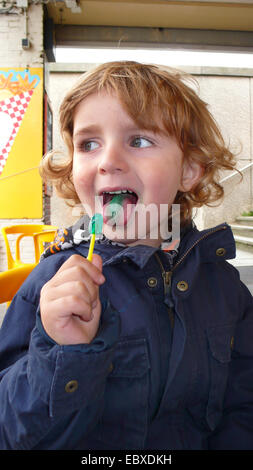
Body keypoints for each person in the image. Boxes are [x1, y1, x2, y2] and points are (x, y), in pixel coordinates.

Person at [0, 61, 252, 450]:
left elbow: (243, 402)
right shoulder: (52, 283)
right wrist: (59, 350)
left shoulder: (224, 286)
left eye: (138, 141)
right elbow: (12, 433)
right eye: (88, 144)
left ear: (189, 170)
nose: (107, 160)